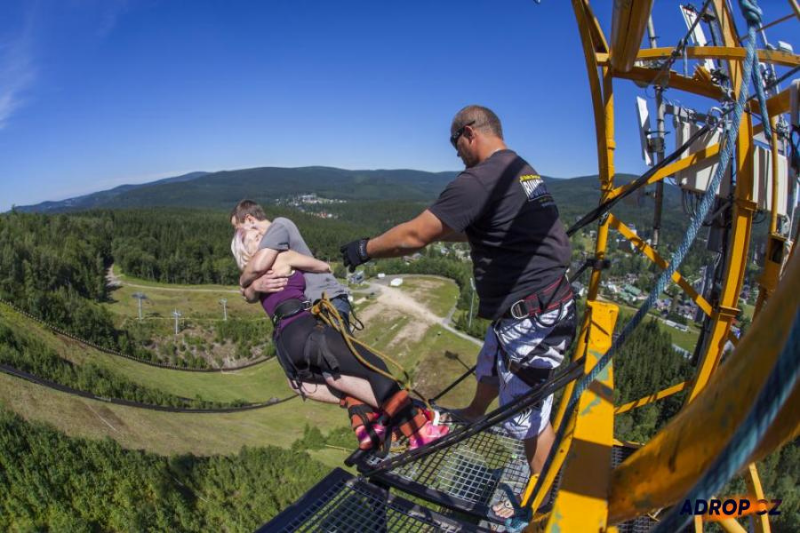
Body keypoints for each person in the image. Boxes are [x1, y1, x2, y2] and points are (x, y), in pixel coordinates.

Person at [340, 105, 576, 516]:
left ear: (468, 133)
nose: (456, 156)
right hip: (536, 308)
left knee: (528, 420)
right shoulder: (522, 170)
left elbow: (414, 235)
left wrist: (366, 248)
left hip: (533, 319)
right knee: (489, 359)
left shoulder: (480, 178)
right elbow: (483, 228)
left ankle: (548, 510)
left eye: (456, 146)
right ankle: (472, 412)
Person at [231, 227, 448, 450]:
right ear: (249, 252)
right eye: (257, 238)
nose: (265, 237)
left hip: (284, 346)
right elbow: (322, 266)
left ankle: (367, 426)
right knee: (372, 365)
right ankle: (420, 432)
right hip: (303, 327)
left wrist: (253, 283)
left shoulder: (251, 281)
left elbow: (247, 294)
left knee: (341, 377)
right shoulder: (280, 257)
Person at [230, 199, 354, 328]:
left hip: (328, 298)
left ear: (249, 219)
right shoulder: (269, 246)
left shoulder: (279, 225)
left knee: (337, 346)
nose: (237, 233)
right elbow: (250, 297)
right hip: (316, 303)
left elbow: (257, 267)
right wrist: (254, 287)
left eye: (237, 227)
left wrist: (242, 282)